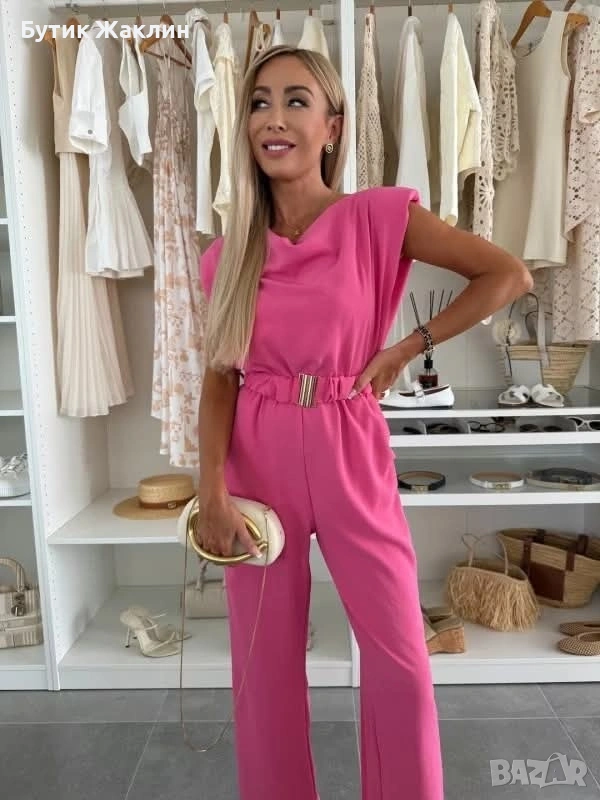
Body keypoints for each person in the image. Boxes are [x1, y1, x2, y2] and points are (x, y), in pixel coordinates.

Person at [195, 45, 532, 800]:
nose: (274, 118)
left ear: (333, 127)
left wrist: (408, 347)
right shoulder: (228, 255)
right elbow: (219, 377)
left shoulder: (377, 217)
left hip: (349, 437)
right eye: (258, 103)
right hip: (258, 450)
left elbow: (507, 274)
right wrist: (209, 488)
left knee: (401, 657)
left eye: (296, 101)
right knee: (263, 664)